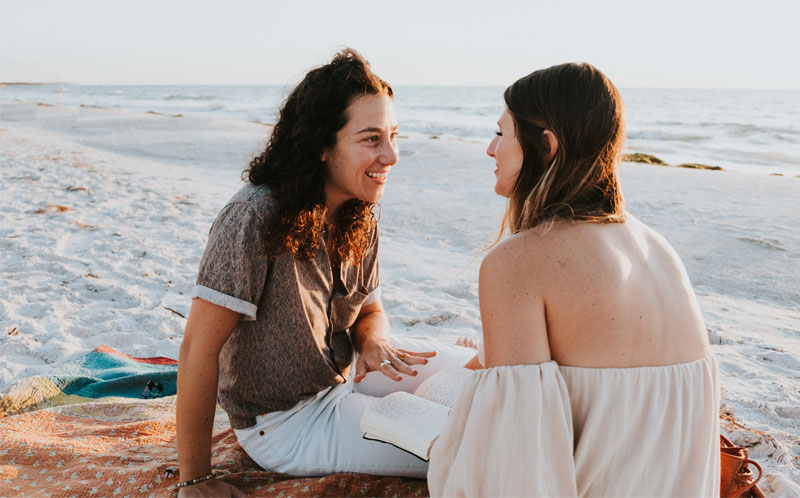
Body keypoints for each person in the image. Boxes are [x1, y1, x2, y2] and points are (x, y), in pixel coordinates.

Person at [176, 49, 473, 497]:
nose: (390, 155)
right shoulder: (252, 217)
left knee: (493, 369)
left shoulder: (360, 210)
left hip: (348, 375)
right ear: (321, 144)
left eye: (393, 135)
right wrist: (195, 479)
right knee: (475, 446)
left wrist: (372, 340)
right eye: (371, 139)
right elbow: (199, 347)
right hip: (286, 423)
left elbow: (370, 308)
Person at [428, 63, 720, 497]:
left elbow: (514, 466)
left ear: (546, 145)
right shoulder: (659, 249)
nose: (491, 149)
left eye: (501, 133)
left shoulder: (519, 261)